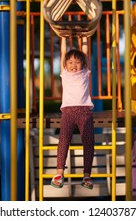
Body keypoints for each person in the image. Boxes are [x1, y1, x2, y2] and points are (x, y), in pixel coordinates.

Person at [51, 36, 95, 190]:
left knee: (88, 141)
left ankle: (87, 175)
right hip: (68, 111)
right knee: (64, 140)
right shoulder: (65, 73)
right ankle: (59, 172)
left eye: (77, 62)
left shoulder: (84, 72)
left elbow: (85, 52)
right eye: (70, 63)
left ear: (83, 64)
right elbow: (63, 54)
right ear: (65, 65)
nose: (74, 65)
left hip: (84, 111)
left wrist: (85, 37)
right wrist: (62, 38)